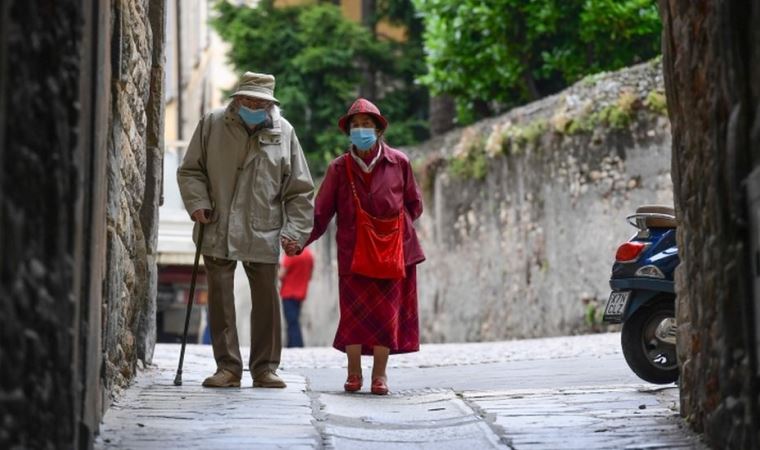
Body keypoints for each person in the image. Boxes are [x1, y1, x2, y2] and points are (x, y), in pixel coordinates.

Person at [177, 72, 314, 388]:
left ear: (270, 104)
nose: (253, 105)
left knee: (266, 300)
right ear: (237, 99)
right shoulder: (212, 124)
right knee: (221, 300)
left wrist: (295, 230)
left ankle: (265, 368)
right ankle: (228, 367)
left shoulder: (284, 132)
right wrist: (198, 202)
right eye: (248, 99)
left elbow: (300, 189)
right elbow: (190, 171)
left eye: (260, 101)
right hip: (217, 224)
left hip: (262, 228)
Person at [299, 98, 425, 395]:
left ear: (379, 129)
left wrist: (390, 231)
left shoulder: (399, 162)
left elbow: (414, 204)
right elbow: (321, 212)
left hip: (392, 254)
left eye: (367, 125)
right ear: (349, 133)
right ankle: (353, 374)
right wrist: (299, 240)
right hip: (352, 253)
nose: (361, 130)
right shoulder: (338, 169)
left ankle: (380, 376)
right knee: (353, 316)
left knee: (386, 315)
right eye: (355, 126)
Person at [279, 247, 314, 348]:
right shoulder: (309, 255)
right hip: (301, 293)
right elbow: (310, 275)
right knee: (294, 320)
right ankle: (291, 345)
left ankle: (296, 345)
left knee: (291, 322)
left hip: (288, 293)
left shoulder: (290, 255)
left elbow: (281, 274)